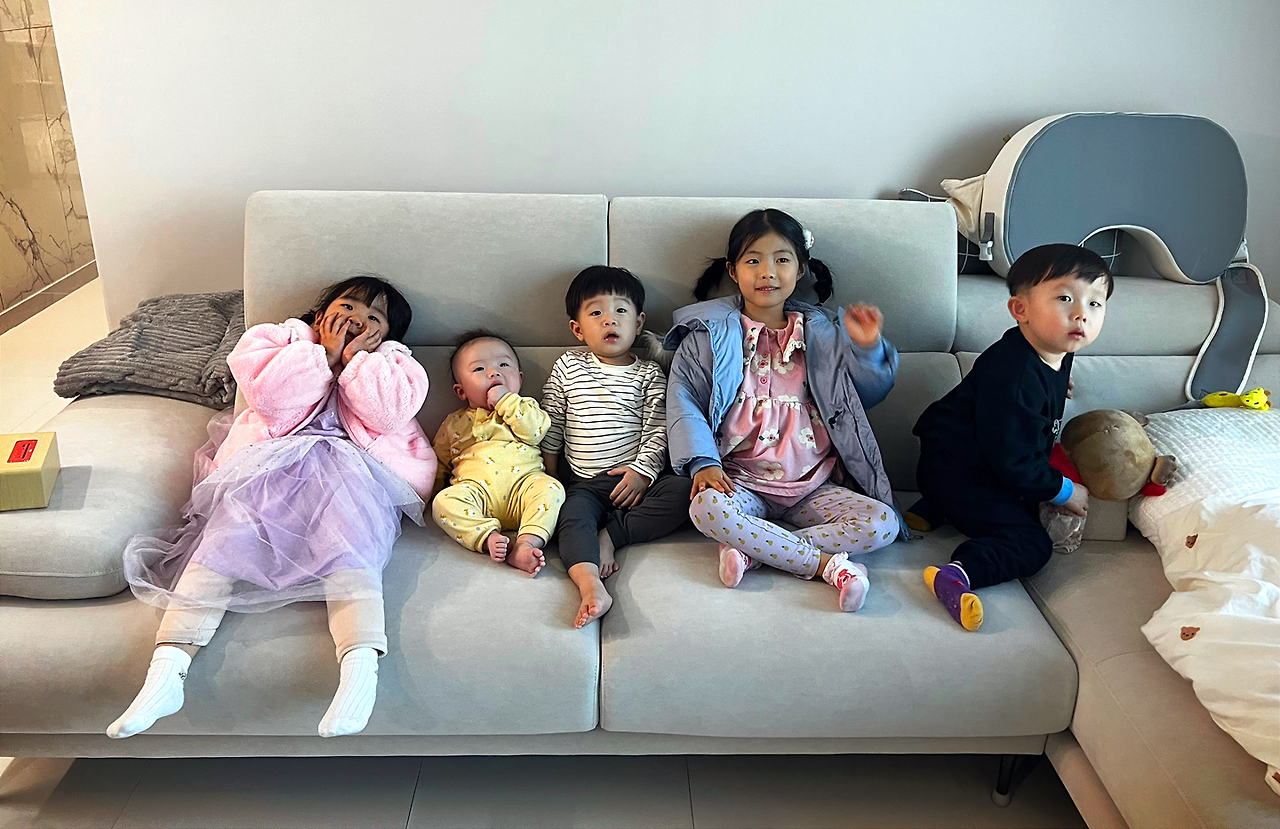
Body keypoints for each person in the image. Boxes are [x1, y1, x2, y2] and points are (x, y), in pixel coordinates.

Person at [109, 275, 434, 739]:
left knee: (350, 545)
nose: (356, 320)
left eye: (373, 318)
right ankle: (167, 670)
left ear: (388, 335)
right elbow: (271, 400)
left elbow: (386, 414)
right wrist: (323, 353)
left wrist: (357, 360)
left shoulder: (395, 364)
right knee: (223, 539)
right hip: (270, 463)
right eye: (347, 307)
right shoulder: (278, 340)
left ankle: (360, 670)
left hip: (355, 471)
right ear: (320, 313)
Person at [666, 208, 901, 612]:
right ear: (733, 270)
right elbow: (684, 399)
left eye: (781, 259)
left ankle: (756, 550)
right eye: (753, 261)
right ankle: (827, 566)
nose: (767, 272)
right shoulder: (707, 336)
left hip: (814, 485)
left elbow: (865, 395)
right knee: (705, 509)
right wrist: (702, 462)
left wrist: (866, 348)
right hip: (741, 483)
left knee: (884, 523)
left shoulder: (824, 335)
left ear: (801, 268)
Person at [911, 244, 1111, 631]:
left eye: (1095, 303)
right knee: (1032, 543)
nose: (1081, 314)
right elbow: (1014, 459)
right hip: (961, 475)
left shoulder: (1054, 347)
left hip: (961, 458)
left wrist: (1056, 384)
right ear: (1021, 310)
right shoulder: (1014, 376)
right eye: (1065, 298)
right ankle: (959, 573)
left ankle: (931, 508)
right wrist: (1064, 491)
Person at [541, 266, 692, 628]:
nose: (609, 319)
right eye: (596, 312)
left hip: (638, 481)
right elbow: (552, 423)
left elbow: (659, 429)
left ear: (638, 323)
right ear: (578, 329)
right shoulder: (568, 367)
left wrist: (643, 472)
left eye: (620, 310)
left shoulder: (650, 374)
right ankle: (590, 584)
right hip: (585, 485)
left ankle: (612, 535)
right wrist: (550, 477)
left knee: (686, 491)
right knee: (569, 517)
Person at [432, 331, 565, 576]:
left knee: (552, 489)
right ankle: (487, 537)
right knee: (443, 502)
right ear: (461, 391)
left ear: (520, 379)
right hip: (477, 495)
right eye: (479, 369)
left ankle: (526, 544)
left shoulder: (526, 407)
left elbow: (536, 431)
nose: (494, 373)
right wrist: (429, 493)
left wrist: (505, 400)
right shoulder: (453, 423)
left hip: (523, 489)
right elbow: (438, 464)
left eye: (504, 365)